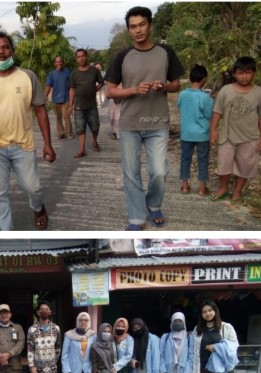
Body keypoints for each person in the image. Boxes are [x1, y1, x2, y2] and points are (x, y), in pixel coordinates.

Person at [0, 31, 56, 231]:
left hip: (23, 146)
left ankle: (38, 207)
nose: (1, 52)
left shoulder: (27, 77)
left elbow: (40, 110)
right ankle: (7, 233)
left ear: (12, 50)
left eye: (5, 47)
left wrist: (48, 144)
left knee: (34, 187)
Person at [106, 6, 184, 230]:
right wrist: (133, 90)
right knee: (131, 173)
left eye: (142, 25)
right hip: (130, 123)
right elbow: (110, 91)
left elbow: (176, 84)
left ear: (150, 25)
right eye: (133, 26)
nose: (138, 30)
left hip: (157, 122)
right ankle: (136, 217)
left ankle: (154, 203)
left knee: (159, 171)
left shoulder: (166, 52)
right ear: (129, 30)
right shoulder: (122, 56)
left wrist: (164, 86)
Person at [209, 56, 261, 204]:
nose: (244, 76)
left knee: (246, 165)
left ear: (254, 73)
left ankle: (237, 192)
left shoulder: (258, 92)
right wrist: (213, 130)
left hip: (250, 138)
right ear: (234, 74)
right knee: (223, 164)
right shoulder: (226, 90)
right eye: (240, 72)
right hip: (227, 136)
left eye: (248, 72)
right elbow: (217, 111)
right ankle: (223, 188)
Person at [178, 64, 213, 197]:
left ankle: (185, 185)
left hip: (186, 133)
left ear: (190, 77)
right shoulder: (205, 97)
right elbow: (209, 114)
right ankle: (202, 188)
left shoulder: (183, 94)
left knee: (185, 158)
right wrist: (211, 100)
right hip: (202, 135)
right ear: (204, 79)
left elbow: (180, 106)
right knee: (203, 159)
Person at [68, 49, 104, 158]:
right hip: (79, 106)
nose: (81, 58)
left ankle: (94, 141)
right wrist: (70, 105)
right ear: (76, 59)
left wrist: (94, 90)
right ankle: (82, 149)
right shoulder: (74, 73)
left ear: (86, 57)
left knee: (95, 127)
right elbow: (72, 90)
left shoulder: (94, 71)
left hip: (92, 105)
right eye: (79, 57)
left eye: (83, 56)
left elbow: (101, 83)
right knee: (80, 128)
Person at [45, 56, 73, 139]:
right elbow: (48, 86)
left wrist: (72, 99)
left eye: (60, 61)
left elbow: (72, 86)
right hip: (56, 99)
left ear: (63, 62)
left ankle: (69, 133)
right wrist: (44, 96)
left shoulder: (68, 73)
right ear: (55, 63)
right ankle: (61, 132)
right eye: (57, 62)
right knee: (58, 117)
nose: (59, 63)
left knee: (66, 116)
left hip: (66, 99)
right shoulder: (52, 74)